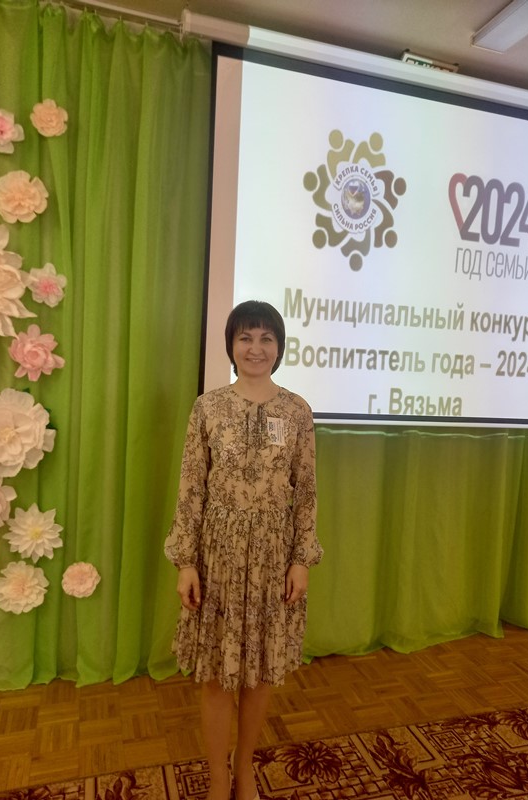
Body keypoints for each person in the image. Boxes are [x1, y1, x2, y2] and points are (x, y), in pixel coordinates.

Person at [165, 300, 323, 800]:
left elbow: (307, 491)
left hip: (274, 555)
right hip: (218, 555)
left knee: (259, 673)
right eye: (245, 338)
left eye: (266, 338)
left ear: (279, 347)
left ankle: (244, 770)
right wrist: (186, 562)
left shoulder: (296, 410)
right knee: (217, 673)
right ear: (231, 346)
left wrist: (301, 559)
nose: (256, 348)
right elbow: (191, 487)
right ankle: (217, 777)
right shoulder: (208, 408)